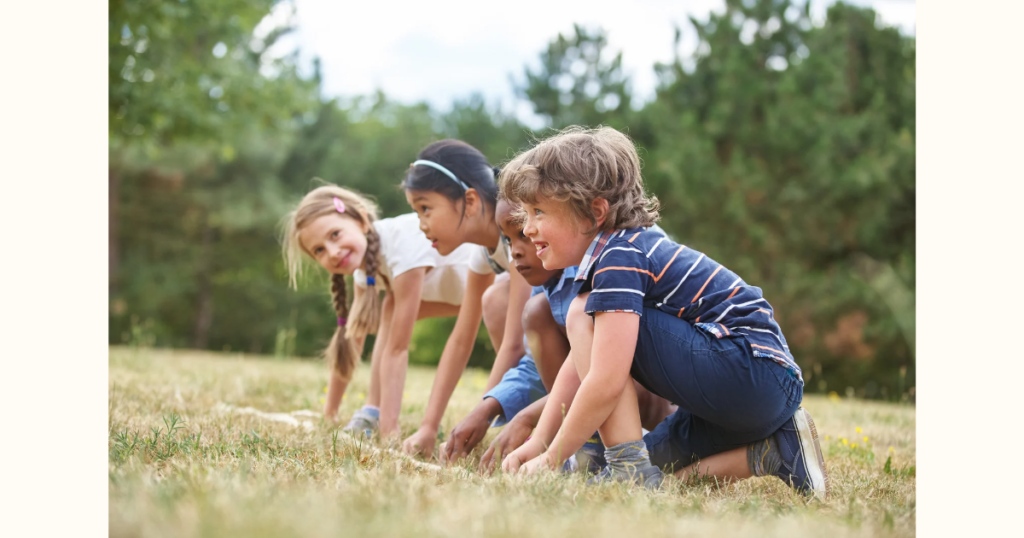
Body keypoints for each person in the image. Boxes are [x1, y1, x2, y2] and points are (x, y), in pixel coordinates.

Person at [499, 126, 828, 500]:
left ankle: (627, 467)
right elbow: (580, 364)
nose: (527, 228)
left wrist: (553, 457)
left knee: (582, 316)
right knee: (655, 467)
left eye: (538, 211)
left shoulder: (619, 258)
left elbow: (605, 379)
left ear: (594, 212)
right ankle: (778, 451)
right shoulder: (620, 254)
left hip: (748, 371)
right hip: (758, 391)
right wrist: (539, 442)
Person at [443, 199, 675, 472]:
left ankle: (613, 446)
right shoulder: (548, 283)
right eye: (508, 240)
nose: (515, 251)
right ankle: (587, 443)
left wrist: (529, 418)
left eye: (523, 234)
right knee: (536, 311)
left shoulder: (604, 264)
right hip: (605, 385)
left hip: (650, 390)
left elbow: (611, 367)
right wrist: (487, 409)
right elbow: (536, 362)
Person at [281, 183, 477, 448]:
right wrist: (330, 414)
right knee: (389, 308)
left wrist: (391, 433)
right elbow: (352, 340)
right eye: (319, 250)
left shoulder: (401, 244)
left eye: (335, 234)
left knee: (391, 308)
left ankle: (381, 420)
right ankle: (371, 413)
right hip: (464, 297)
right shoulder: (366, 272)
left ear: (361, 220)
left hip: (496, 283)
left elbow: (398, 348)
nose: (332, 251)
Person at [400, 139, 537, 458]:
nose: (421, 225)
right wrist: (428, 427)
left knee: (498, 300)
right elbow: (461, 340)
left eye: (425, 208)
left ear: (470, 201)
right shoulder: (485, 253)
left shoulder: (517, 235)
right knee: (494, 298)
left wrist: (480, 417)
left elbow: (515, 344)